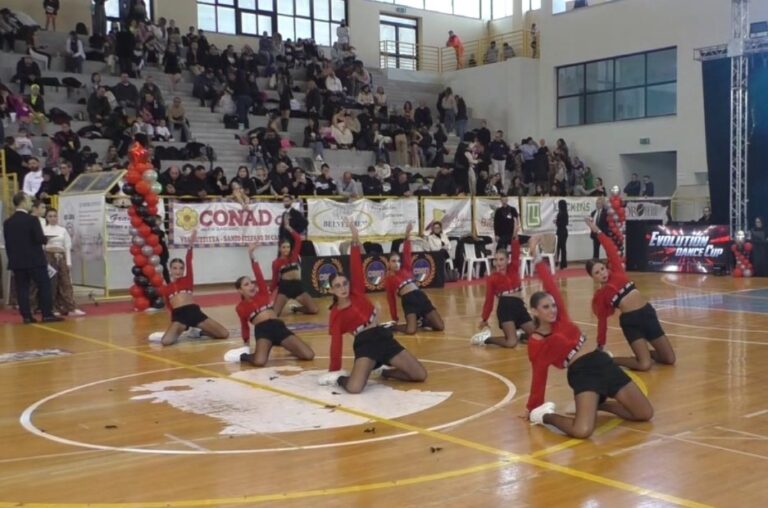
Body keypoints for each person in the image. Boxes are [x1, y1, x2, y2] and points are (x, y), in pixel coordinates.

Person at [524, 236, 653, 438]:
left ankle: (602, 405)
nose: (552, 310)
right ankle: (544, 417)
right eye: (545, 307)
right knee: (582, 430)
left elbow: (550, 283)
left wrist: (537, 256)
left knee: (644, 413)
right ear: (534, 311)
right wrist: (533, 407)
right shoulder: (536, 342)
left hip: (601, 362)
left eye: (553, 305)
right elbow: (539, 375)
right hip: (582, 373)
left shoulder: (562, 318)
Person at [318, 223, 427, 393]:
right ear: (331, 290)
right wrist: (335, 371)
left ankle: (385, 372)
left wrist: (355, 241)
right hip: (364, 343)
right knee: (354, 388)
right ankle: (340, 379)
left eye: (344, 283)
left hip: (382, 336)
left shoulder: (357, 292)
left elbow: (355, 266)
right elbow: (336, 345)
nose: (342, 288)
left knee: (420, 375)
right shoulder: (335, 314)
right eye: (337, 286)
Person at [585, 218, 676, 371]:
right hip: (631, 323)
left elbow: (610, 248)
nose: (602, 273)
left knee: (669, 359)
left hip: (647, 314)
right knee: (644, 365)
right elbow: (602, 322)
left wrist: (596, 230)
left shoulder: (618, 272)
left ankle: (646, 353)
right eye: (597, 273)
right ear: (593, 277)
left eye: (602, 269)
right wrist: (600, 345)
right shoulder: (601, 296)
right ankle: (611, 360)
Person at [232, 242, 315, 367]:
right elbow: (245, 326)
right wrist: (246, 345)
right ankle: (243, 357)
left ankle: (290, 347)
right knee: (259, 361)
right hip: (263, 331)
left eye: (251, 283)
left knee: (309, 355)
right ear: (240, 290)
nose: (251, 285)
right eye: (246, 284)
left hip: (278, 327)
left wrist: (251, 254)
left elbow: (258, 273)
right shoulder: (240, 308)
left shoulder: (263, 293)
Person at [150, 230, 230, 345]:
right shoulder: (166, 288)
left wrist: (190, 245)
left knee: (224, 334)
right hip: (179, 316)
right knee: (166, 342)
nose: (178, 271)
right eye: (175, 268)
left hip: (194, 312)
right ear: (170, 270)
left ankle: (198, 333)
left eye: (181, 268)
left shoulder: (188, 280)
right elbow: (169, 306)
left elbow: (189, 260)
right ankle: (176, 331)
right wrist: (174, 322)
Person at [3, 192, 62, 324]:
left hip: (17, 262)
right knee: (44, 285)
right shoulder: (32, 220)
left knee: (22, 288)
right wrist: (45, 239)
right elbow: (39, 239)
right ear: (23, 201)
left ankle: (27, 316)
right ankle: (47, 314)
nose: (31, 203)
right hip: (35, 260)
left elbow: (8, 243)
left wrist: (12, 260)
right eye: (29, 200)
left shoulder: (8, 222)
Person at [473, 234, 534, 348]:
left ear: (507, 260)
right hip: (505, 309)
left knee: (536, 336)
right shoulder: (492, 278)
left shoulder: (513, 267)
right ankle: (486, 339)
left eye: (501, 259)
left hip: (519, 307)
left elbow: (515, 253)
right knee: (511, 343)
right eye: (496, 260)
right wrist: (484, 318)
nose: (498, 262)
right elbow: (489, 300)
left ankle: (521, 335)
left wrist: (515, 237)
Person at [384, 223, 445, 335]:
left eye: (398, 261)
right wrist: (394, 317)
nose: (397, 263)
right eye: (393, 261)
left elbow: (407, 252)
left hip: (420, 296)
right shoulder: (388, 279)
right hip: (408, 301)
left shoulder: (406, 268)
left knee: (440, 327)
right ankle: (393, 327)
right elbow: (391, 299)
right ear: (388, 263)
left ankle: (423, 321)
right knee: (411, 330)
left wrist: (407, 234)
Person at [43, 208, 86, 316]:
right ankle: (54, 308)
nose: (53, 218)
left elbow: (67, 247)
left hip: (61, 258)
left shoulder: (62, 230)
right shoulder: (43, 230)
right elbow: (41, 246)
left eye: (55, 216)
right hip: (49, 258)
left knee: (66, 283)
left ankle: (71, 307)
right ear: (47, 218)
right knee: (52, 284)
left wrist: (68, 262)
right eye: (50, 216)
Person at [270, 223, 318, 316]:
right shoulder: (276, 262)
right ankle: (270, 308)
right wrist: (270, 291)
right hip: (285, 289)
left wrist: (289, 227)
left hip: (298, 287)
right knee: (275, 314)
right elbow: (275, 279)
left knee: (314, 310)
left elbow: (298, 239)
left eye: (288, 247)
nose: (286, 249)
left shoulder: (294, 256)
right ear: (280, 248)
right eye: (283, 247)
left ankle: (296, 309)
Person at [555, 199, 569, 269]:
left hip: (562, 232)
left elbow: (565, 223)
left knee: (562, 248)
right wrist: (557, 222)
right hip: (560, 231)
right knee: (557, 248)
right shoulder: (561, 212)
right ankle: (557, 262)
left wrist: (556, 222)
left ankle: (563, 264)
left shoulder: (564, 213)